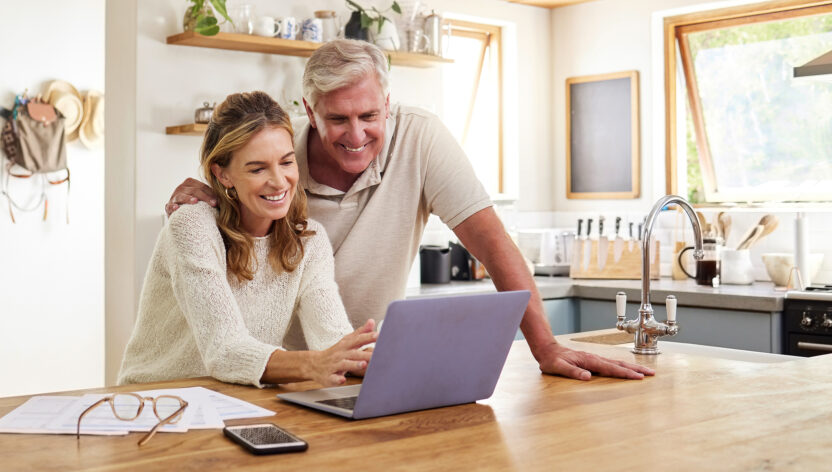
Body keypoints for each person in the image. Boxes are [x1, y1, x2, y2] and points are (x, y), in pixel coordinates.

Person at [166, 40, 653, 382]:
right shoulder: (282, 158)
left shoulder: (419, 139)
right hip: (252, 372)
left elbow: (494, 246)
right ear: (309, 113)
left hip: (342, 372)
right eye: (337, 119)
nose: (355, 135)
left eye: (369, 116)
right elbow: (223, 338)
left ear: (388, 105)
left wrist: (544, 347)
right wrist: (212, 191)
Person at [119, 91, 376, 388]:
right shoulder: (193, 227)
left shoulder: (310, 241)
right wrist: (315, 363)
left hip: (240, 401)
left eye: (286, 162)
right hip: (154, 403)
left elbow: (332, 339)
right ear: (223, 174)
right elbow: (225, 350)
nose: (279, 181)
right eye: (257, 168)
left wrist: (388, 360)